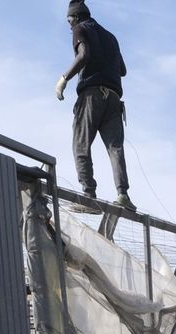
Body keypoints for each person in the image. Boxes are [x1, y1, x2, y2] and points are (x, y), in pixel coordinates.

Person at [56, 1, 133, 210]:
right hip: (114, 98)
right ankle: (123, 194)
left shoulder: (80, 29)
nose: (70, 26)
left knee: (80, 144)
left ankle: (89, 196)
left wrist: (64, 78)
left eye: (70, 21)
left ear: (77, 17)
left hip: (92, 96)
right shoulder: (111, 37)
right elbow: (123, 70)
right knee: (115, 148)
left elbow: (84, 55)